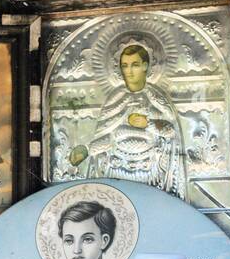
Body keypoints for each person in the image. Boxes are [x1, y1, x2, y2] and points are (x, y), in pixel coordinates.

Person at [76, 42, 187, 197]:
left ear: (145, 66)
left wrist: (148, 124)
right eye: (124, 65)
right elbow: (108, 135)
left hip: (149, 173)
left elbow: (171, 132)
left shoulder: (155, 98)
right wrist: (87, 151)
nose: (129, 71)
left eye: (134, 65)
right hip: (116, 170)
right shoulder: (115, 98)